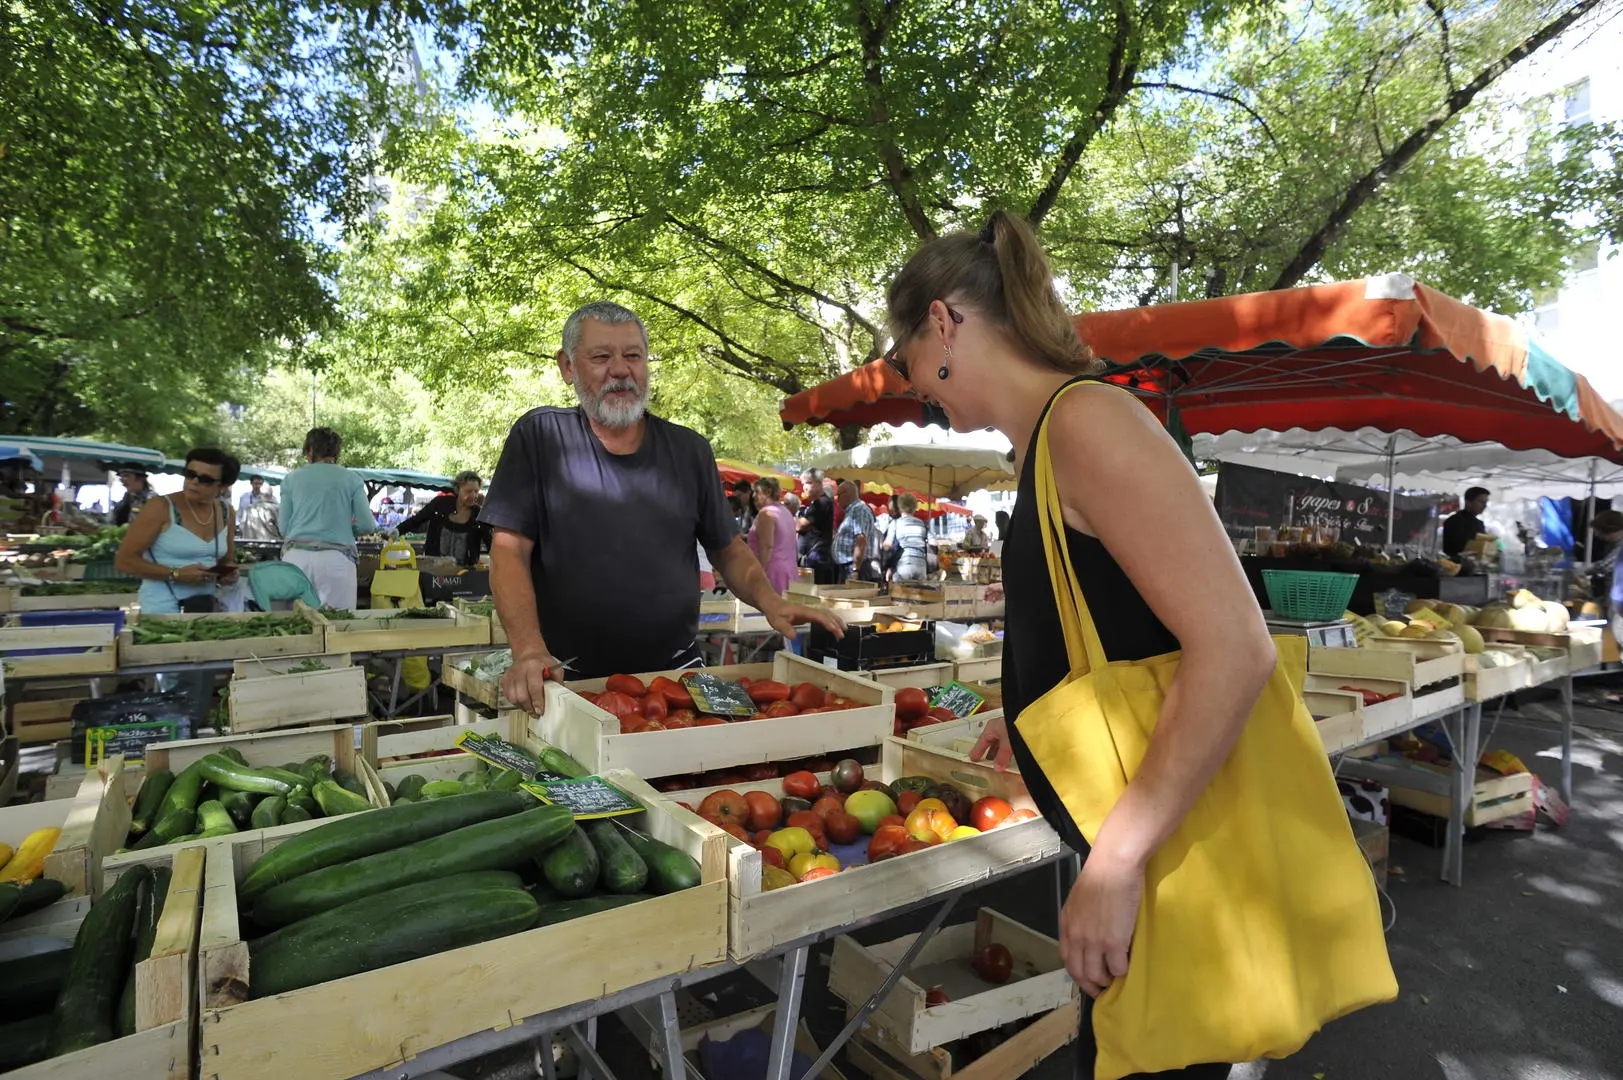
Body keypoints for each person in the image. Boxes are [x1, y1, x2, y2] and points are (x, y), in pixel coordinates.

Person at [883, 210, 1282, 1078]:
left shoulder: (1085, 424)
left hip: (1164, 857)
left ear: (942, 323)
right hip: (1144, 843)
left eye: (902, 354)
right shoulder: (1050, 441)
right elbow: (1109, 619)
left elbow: (1235, 647)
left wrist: (1116, 862)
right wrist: (1018, 705)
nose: (913, 384)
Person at [483, 301, 843, 714]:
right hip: (566, 678)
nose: (620, 370)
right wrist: (528, 650)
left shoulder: (689, 450)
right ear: (567, 367)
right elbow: (508, 550)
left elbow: (728, 548)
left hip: (677, 677)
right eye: (602, 356)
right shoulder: (540, 437)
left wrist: (771, 601)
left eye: (633, 355)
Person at [115, 450, 240, 613]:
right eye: (190, 474)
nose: (194, 482)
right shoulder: (159, 507)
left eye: (205, 480)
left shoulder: (226, 512)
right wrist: (175, 574)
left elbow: (226, 559)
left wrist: (228, 573)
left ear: (222, 486)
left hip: (205, 606)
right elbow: (124, 561)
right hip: (161, 607)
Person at [278, 427, 376, 610]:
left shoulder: (291, 479)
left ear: (310, 451)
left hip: (295, 560)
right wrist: (348, 529)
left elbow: (284, 529)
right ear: (336, 452)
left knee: (296, 626)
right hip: (337, 561)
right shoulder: (351, 479)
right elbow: (367, 525)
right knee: (338, 627)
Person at [398, 471, 491, 568]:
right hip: (434, 573)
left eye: (476, 491)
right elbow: (416, 520)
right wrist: (397, 531)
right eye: (468, 491)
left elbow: (491, 544)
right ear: (458, 489)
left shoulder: (479, 515)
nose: (473, 496)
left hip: (466, 576)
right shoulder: (439, 504)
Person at [748, 477, 798, 594]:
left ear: (768, 492)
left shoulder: (766, 513)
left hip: (773, 573)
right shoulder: (785, 512)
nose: (753, 495)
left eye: (757, 491)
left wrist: (760, 576)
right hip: (789, 571)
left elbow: (766, 547)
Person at [833, 480, 879, 583]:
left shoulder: (859, 509)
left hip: (853, 568)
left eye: (838, 495)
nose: (837, 499)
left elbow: (861, 539)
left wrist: (855, 569)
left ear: (847, 494)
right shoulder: (852, 510)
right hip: (848, 567)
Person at [796, 468, 836, 584]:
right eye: (803, 484)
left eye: (808, 483)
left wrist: (787, 517)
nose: (805, 487)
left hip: (816, 559)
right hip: (812, 558)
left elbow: (800, 526)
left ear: (819, 483)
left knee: (813, 597)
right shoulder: (815, 503)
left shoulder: (821, 502)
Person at [887, 493, 932, 582]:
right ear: (915, 507)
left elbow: (887, 545)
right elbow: (933, 542)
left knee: (900, 594)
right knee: (922, 593)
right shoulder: (923, 524)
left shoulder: (895, 523)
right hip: (921, 565)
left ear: (900, 506)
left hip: (903, 563)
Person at [1441, 486, 1492, 560]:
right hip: (1456, 566)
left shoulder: (1479, 524)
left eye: (1486, 502)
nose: (1485, 506)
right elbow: (1455, 549)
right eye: (1481, 502)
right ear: (1468, 502)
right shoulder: (1454, 521)